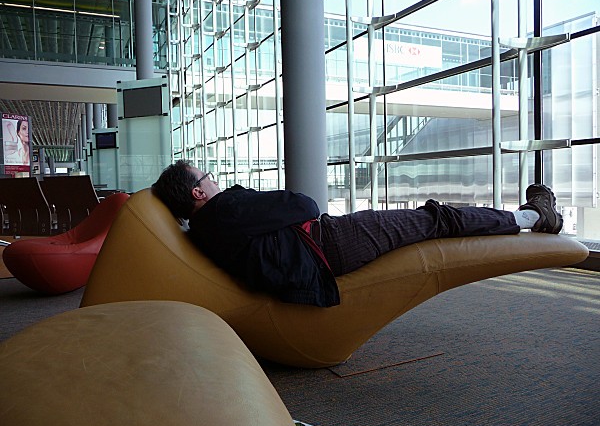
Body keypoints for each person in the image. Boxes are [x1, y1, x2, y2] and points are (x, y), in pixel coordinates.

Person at [152, 160, 562, 308]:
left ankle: (525, 216)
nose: (216, 181)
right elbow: (305, 205)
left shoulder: (206, 230)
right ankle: (532, 217)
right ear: (198, 192)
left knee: (430, 224)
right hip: (330, 245)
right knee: (435, 219)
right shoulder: (226, 209)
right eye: (209, 176)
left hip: (317, 252)